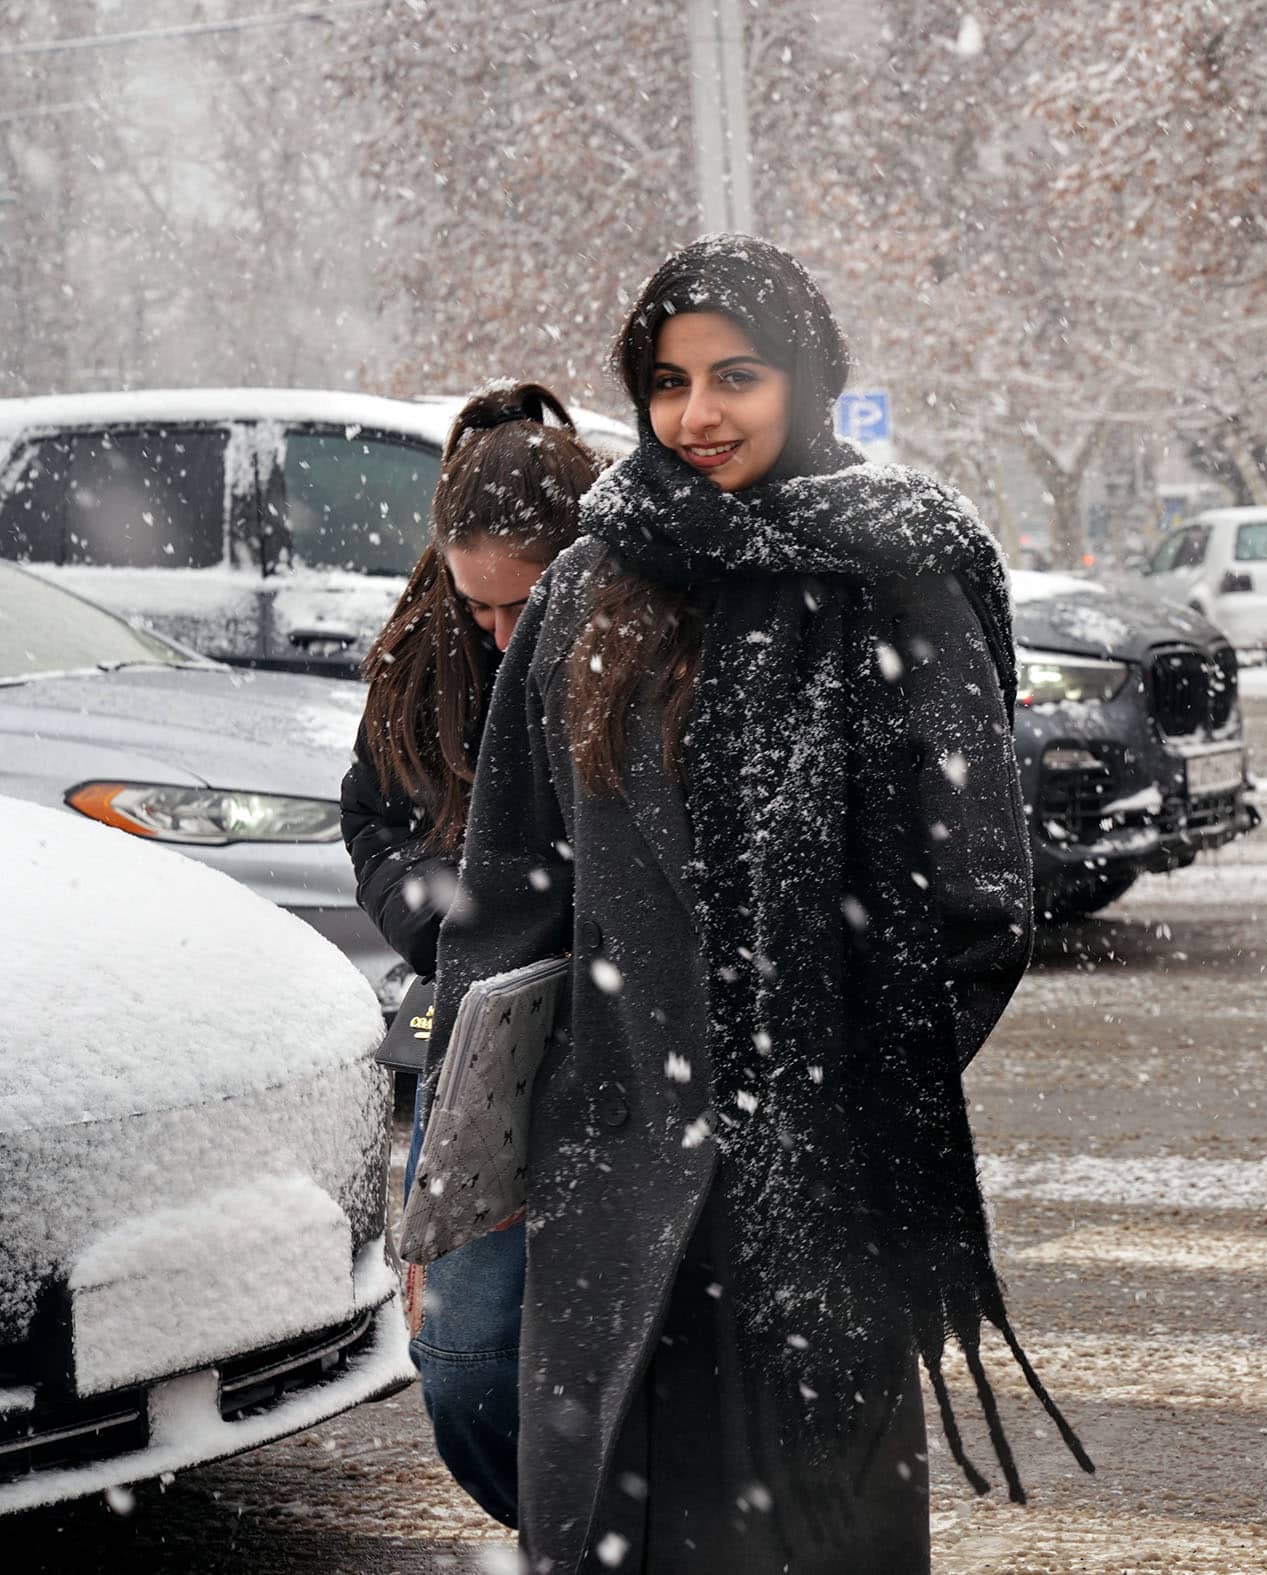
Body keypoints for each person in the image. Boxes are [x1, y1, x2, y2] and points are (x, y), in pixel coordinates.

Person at [425, 235, 1088, 1574]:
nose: (698, 414)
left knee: (801, 1529)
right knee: (618, 1516)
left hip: (817, 1181)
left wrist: (828, 1075)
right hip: (611, 1162)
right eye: (668, 383)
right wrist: (488, 1139)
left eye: (736, 375)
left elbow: (977, 900)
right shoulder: (587, 586)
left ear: (807, 374)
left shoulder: (893, 573)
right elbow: (509, 897)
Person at [342, 379, 605, 1530]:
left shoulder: (640, 640)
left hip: (617, 1054)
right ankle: (568, 1533)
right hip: (476, 1047)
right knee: (463, 1362)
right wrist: (440, 922)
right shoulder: (423, 655)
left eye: (521, 603)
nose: (500, 633)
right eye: (476, 606)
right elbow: (373, 817)